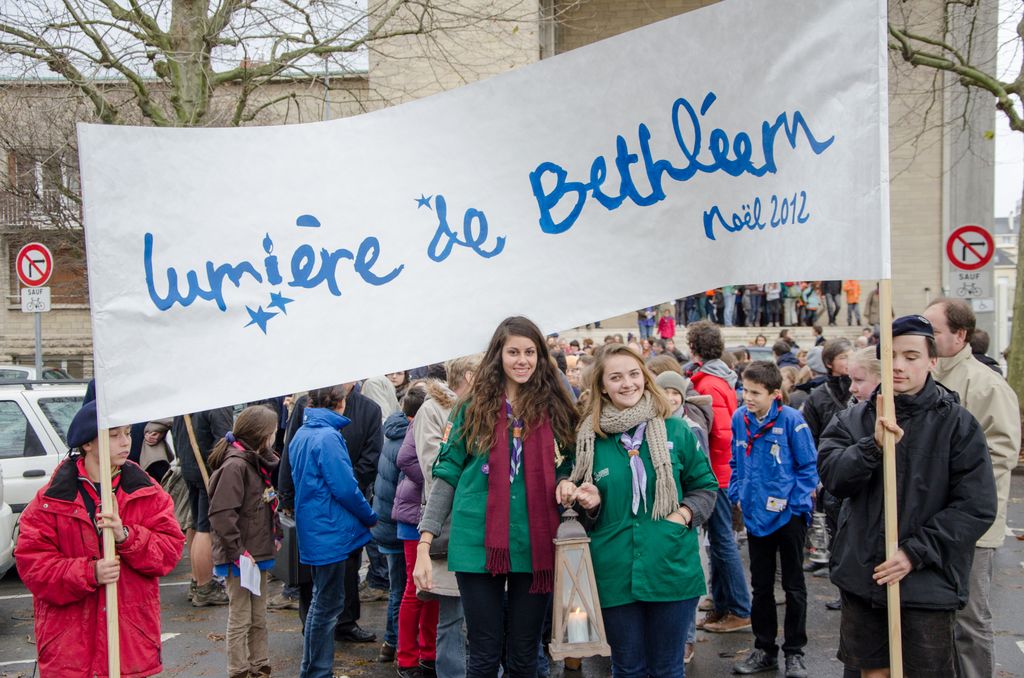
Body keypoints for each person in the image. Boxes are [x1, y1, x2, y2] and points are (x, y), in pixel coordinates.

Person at [818, 315, 997, 677]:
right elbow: (834, 479)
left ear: (933, 361)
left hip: (927, 583)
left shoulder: (958, 425)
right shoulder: (851, 421)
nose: (899, 365)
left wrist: (915, 552)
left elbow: (975, 506)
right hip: (863, 577)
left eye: (912, 356)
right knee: (872, 672)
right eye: (892, 355)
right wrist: (872, 447)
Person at [415, 316, 578, 678]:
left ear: (541, 356)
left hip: (535, 541)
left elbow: (572, 460)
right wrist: (424, 544)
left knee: (524, 654)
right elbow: (446, 474)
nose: (522, 360)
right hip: (477, 539)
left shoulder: (556, 407)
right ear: (498, 356)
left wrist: (566, 479)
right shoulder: (471, 408)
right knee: (485, 654)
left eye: (530, 352)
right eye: (513, 352)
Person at [561, 344, 718, 676]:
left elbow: (704, 485)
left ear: (646, 379)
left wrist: (684, 515)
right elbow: (574, 495)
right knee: (628, 667)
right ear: (602, 386)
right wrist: (588, 502)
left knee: (667, 668)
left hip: (670, 565)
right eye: (616, 377)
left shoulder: (675, 429)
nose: (627, 384)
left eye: (634, 374)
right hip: (615, 568)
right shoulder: (589, 440)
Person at [15, 400, 184, 677]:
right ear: (88, 444)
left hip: (129, 642)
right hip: (70, 647)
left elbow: (169, 551)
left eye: (128, 433)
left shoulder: (146, 491)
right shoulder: (51, 499)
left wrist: (125, 536)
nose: (125, 442)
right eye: (114, 434)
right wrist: (89, 572)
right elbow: (33, 566)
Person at [924, 299, 1020, 678]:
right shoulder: (924, 376)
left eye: (932, 331)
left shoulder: (987, 385)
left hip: (971, 527)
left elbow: (1002, 452)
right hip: (929, 518)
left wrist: (946, 482)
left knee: (968, 618)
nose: (925, 338)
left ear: (959, 335)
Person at [728, 362, 817, 677]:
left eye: (754, 392)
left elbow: (808, 468)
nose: (747, 397)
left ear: (775, 394)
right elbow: (735, 460)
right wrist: (737, 492)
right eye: (744, 389)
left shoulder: (793, 421)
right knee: (761, 585)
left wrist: (793, 505)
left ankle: (795, 651)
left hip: (788, 516)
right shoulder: (740, 418)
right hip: (755, 515)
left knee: (793, 586)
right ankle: (764, 649)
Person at [290, 384, 379, 678]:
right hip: (328, 529)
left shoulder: (304, 432)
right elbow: (345, 486)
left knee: (322, 602)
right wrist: (368, 514)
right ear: (340, 402)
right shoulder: (328, 436)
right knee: (327, 606)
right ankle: (317, 671)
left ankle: (313, 669)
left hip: (316, 527)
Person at [413, 355, 480, 678]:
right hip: (450, 526)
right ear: (469, 374)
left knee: (484, 618)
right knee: (452, 616)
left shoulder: (489, 407)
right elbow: (432, 467)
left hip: (481, 529)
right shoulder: (433, 410)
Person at [684, 321, 752, 634]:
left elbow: (721, 434)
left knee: (723, 541)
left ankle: (739, 609)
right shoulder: (716, 378)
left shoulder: (708, 383)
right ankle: (723, 604)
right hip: (720, 470)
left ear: (694, 347)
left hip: (717, 473)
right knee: (719, 541)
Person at [207, 405, 281, 678]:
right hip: (240, 557)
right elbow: (222, 515)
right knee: (241, 617)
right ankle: (238, 670)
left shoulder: (255, 462)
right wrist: (239, 553)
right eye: (272, 432)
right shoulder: (236, 466)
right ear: (261, 435)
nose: (275, 437)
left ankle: (259, 665)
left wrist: (275, 535)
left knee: (258, 616)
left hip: (257, 554)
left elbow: (262, 505)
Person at [391, 385, 439, 678]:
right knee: (414, 588)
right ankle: (406, 656)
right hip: (413, 516)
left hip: (428, 514)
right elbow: (405, 459)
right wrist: (436, 478)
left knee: (432, 588)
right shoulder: (421, 421)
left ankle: (428, 651)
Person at [369, 393, 416, 664]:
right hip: (399, 527)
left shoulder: (393, 433)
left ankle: (390, 642)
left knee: (397, 588)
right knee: (404, 589)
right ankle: (398, 642)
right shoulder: (407, 441)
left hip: (386, 524)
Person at [172, 406, 234, 606]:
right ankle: (205, 585)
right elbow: (224, 441)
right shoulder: (215, 399)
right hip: (205, 469)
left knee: (196, 523)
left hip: (191, 465)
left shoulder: (191, 396)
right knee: (204, 528)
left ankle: (198, 579)